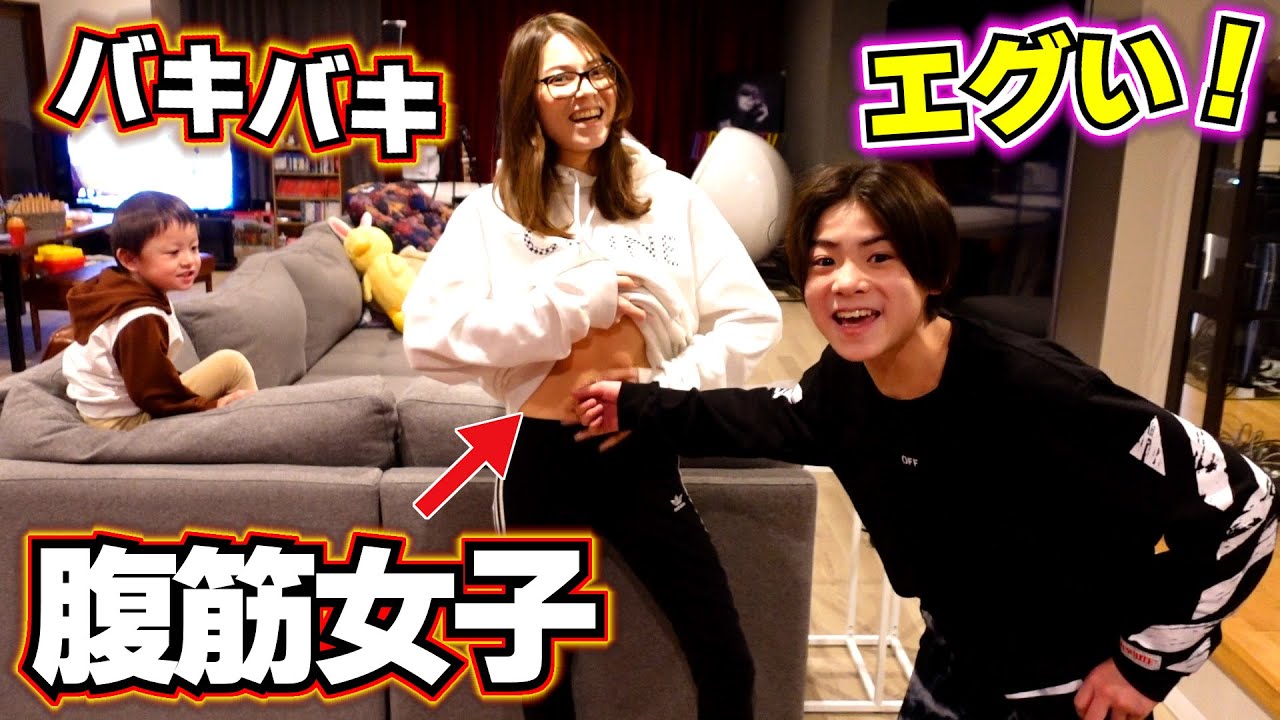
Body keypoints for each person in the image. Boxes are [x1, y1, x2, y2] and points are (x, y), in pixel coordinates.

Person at [573, 160, 1278, 720]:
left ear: (933, 272)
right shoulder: (846, 386)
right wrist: (636, 403)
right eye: (824, 261)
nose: (846, 282)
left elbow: (1247, 502)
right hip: (950, 665)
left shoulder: (1041, 391)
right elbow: (773, 414)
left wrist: (1147, 664)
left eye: (879, 257)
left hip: (1065, 691)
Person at [400, 11, 781, 720]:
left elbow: (754, 317)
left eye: (596, 70)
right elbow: (430, 339)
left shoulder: (672, 197)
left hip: (638, 444)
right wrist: (571, 304)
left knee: (724, 658)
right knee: (542, 684)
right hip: (537, 459)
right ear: (527, 97)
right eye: (560, 78)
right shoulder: (491, 212)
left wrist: (667, 389)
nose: (586, 90)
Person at [62, 191, 257, 430]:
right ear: (130, 259)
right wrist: (211, 406)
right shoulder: (139, 318)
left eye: (194, 248)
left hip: (114, 409)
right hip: (122, 422)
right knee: (233, 366)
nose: (189, 260)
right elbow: (152, 394)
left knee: (229, 363)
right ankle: (255, 433)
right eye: (173, 252)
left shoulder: (117, 287)